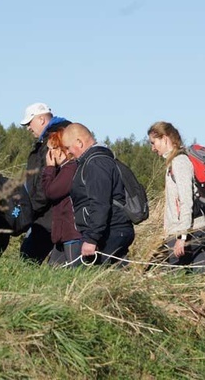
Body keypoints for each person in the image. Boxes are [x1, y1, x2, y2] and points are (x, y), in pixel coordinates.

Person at [62, 123, 134, 265]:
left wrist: (91, 239)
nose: (68, 152)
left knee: (90, 280)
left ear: (79, 142)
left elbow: (100, 203)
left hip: (109, 232)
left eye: (68, 147)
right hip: (110, 231)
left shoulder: (96, 163)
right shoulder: (96, 160)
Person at [147, 122, 205, 273]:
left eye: (153, 142)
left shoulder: (179, 162)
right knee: (195, 278)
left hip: (190, 231)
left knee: (166, 276)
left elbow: (186, 201)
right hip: (192, 230)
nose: (152, 148)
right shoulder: (174, 162)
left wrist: (182, 237)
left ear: (164, 138)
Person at [19, 102, 71, 264]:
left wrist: (30, 209)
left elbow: (45, 182)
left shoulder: (53, 141)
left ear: (41, 119)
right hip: (52, 214)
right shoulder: (53, 139)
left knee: (28, 260)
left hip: (49, 215)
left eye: (29, 123)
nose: (28, 127)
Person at [41, 130, 82, 267]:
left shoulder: (70, 168)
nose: (48, 154)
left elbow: (50, 192)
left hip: (72, 234)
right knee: (52, 273)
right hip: (64, 235)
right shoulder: (65, 169)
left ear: (59, 150)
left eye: (50, 149)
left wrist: (49, 169)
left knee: (74, 273)